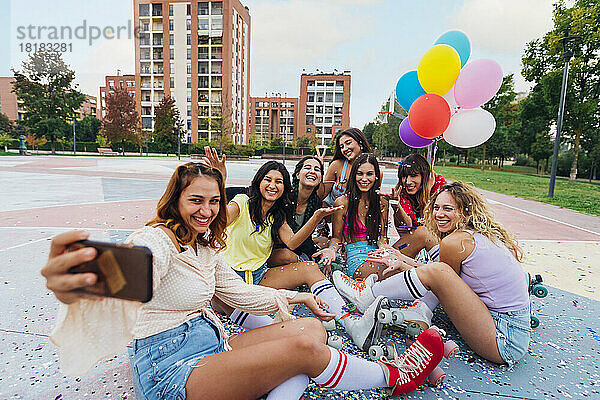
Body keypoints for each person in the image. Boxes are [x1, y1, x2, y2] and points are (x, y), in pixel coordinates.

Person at [41, 161, 445, 399]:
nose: (206, 210)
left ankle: (278, 377)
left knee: (309, 330)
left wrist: (297, 302)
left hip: (210, 341)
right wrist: (92, 275)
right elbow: (141, 265)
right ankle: (392, 376)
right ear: (175, 201)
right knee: (304, 350)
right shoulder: (158, 237)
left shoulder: (203, 247)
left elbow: (238, 292)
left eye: (213, 201)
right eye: (195, 200)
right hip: (169, 369)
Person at [333, 181, 532, 365]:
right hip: (509, 327)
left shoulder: (455, 243)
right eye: (436, 207)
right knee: (437, 270)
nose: (438, 214)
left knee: (438, 271)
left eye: (448, 209)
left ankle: (367, 295)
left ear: (464, 212)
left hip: (505, 339)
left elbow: (440, 281)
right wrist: (403, 260)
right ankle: (411, 309)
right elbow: (444, 280)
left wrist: (404, 264)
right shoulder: (475, 234)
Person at [213, 160, 385, 351]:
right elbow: (217, 222)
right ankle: (278, 330)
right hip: (229, 280)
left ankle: (351, 324)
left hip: (258, 276)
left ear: (284, 188)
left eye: (278, 182)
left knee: (309, 268)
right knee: (238, 309)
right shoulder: (241, 202)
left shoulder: (275, 216)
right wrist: (221, 182)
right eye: (267, 179)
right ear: (258, 181)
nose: (272, 185)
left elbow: (293, 242)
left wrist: (316, 217)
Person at [315, 153, 389, 280]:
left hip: (378, 255)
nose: (364, 179)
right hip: (356, 258)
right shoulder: (342, 202)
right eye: (360, 174)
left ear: (376, 176)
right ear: (353, 175)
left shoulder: (382, 203)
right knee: (396, 273)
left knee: (402, 268)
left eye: (369, 174)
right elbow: (336, 238)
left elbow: (382, 237)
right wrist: (332, 250)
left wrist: (384, 248)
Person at [268, 155, 325, 266]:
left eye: (317, 169)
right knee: (288, 256)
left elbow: (305, 238)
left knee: (323, 244)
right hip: (273, 249)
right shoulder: (284, 196)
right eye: (307, 168)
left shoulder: (315, 202)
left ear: (320, 178)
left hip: (294, 249)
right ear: (298, 174)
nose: (312, 171)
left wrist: (319, 256)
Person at [391, 153, 446, 237]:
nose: (408, 182)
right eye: (404, 176)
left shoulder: (439, 186)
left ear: (424, 176)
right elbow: (409, 227)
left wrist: (427, 192)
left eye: (413, 176)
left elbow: (432, 225)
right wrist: (396, 205)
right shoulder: (401, 190)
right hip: (413, 239)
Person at [321, 128, 373, 207]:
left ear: (360, 142)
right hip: (331, 215)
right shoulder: (336, 166)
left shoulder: (375, 171)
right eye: (341, 147)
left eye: (348, 143)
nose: (345, 149)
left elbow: (371, 201)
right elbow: (322, 195)